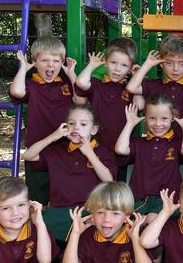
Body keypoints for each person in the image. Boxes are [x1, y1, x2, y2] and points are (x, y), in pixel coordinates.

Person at [21, 104, 117, 243]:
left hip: (89, 211)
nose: (76, 127)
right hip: (59, 211)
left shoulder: (103, 152)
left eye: (83, 124)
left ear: (94, 129)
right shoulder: (57, 150)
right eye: (71, 123)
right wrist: (52, 137)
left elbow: (109, 180)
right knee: (37, 232)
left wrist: (90, 154)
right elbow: (28, 156)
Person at [9, 36, 84, 205]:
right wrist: (22, 69)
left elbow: (80, 101)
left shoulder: (65, 84)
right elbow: (17, 92)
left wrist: (72, 75)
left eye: (56, 61)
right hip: (38, 148)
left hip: (64, 148)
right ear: (35, 62)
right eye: (44, 60)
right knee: (37, 197)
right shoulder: (31, 85)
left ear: (62, 63)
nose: (51, 65)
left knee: (64, 193)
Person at [55, 181, 159, 263]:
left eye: (115, 213)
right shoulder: (87, 235)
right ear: (92, 215)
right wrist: (75, 234)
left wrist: (135, 239)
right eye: (100, 212)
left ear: (126, 217)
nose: (106, 219)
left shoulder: (133, 234)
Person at [126, 34, 183, 152]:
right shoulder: (155, 85)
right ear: (161, 63)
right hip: (162, 150)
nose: (175, 69)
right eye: (169, 63)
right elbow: (131, 88)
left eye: (182, 63)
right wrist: (147, 64)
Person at [115, 96, 183, 221]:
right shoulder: (139, 143)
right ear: (145, 119)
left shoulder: (175, 143)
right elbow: (120, 149)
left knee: (151, 219)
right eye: (152, 118)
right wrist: (130, 124)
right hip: (139, 199)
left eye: (164, 119)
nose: (158, 124)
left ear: (173, 118)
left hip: (167, 201)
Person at [75, 37, 140, 181]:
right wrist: (91, 66)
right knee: (97, 182)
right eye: (113, 63)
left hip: (121, 146)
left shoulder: (129, 89)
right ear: (105, 62)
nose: (117, 69)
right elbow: (80, 82)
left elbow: (139, 105)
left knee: (118, 186)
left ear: (130, 67)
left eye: (124, 65)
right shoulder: (97, 84)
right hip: (98, 146)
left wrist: (137, 77)